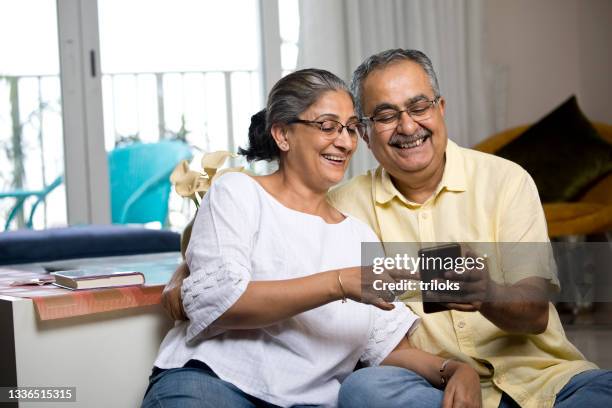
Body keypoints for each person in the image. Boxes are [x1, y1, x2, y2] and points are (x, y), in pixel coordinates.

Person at [143, 68, 481, 408]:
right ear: (282, 134)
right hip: (214, 383)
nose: (346, 142)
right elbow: (222, 300)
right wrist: (339, 283)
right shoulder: (239, 192)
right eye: (328, 126)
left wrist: (453, 370)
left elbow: (387, 347)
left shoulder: (357, 233)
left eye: (350, 128)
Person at [329, 49, 612, 408]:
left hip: (545, 382)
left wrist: (488, 293)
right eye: (386, 115)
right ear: (364, 133)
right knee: (364, 390)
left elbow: (536, 312)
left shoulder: (506, 180)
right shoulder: (344, 206)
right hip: (432, 389)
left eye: (419, 107)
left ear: (440, 109)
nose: (408, 126)